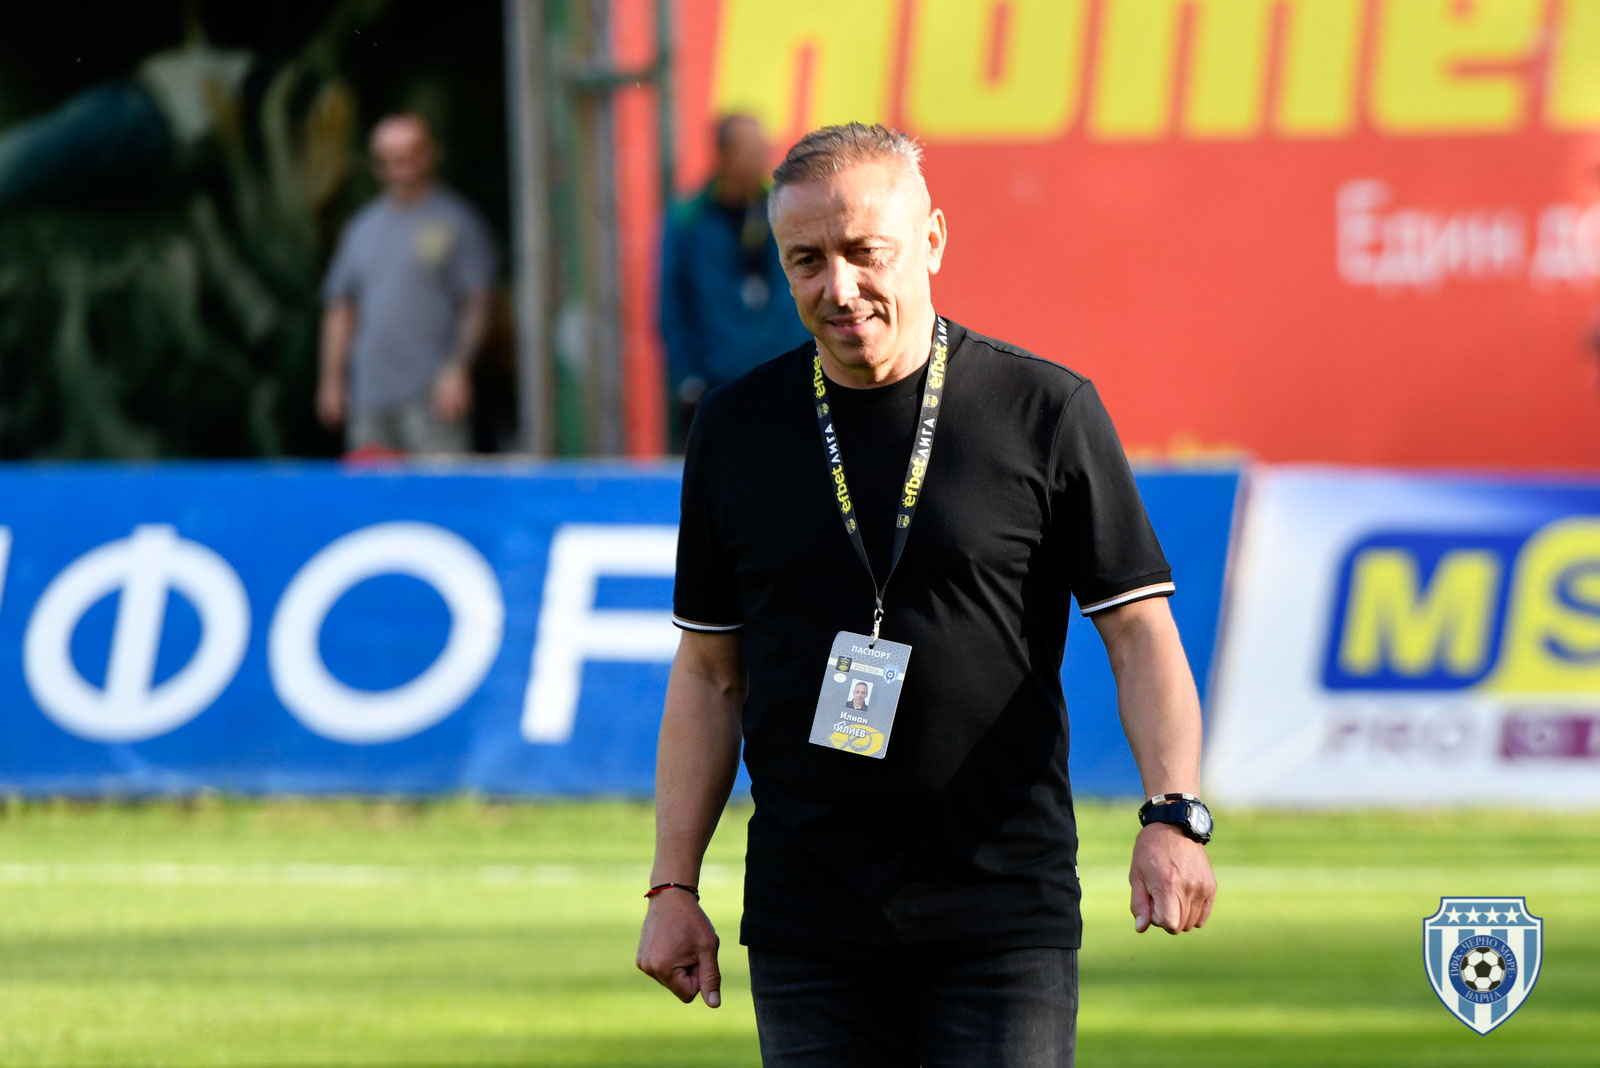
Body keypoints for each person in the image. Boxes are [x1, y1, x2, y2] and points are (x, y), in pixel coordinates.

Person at [636, 123, 1217, 1066]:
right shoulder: (736, 429)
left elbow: (1140, 634)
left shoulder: (1045, 411)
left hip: (1001, 915)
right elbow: (708, 673)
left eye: (867, 252)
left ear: (933, 240)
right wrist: (673, 887)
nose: (840, 287)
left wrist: (1173, 813)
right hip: (807, 923)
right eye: (807, 260)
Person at [318, 113, 495, 456]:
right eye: (386, 160)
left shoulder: (457, 220)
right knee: (372, 490)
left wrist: (458, 367)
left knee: (439, 488)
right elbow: (340, 306)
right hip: (369, 397)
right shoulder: (362, 227)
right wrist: (332, 380)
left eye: (408, 156)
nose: (398, 168)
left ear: (430, 155)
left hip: (432, 395)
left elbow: (479, 302)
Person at [658, 114, 810, 448]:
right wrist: (688, 376)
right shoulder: (688, 219)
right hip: (718, 381)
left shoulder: (788, 211)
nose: (759, 158)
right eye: (748, 150)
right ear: (723, 155)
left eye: (762, 148)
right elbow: (672, 305)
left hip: (784, 374)